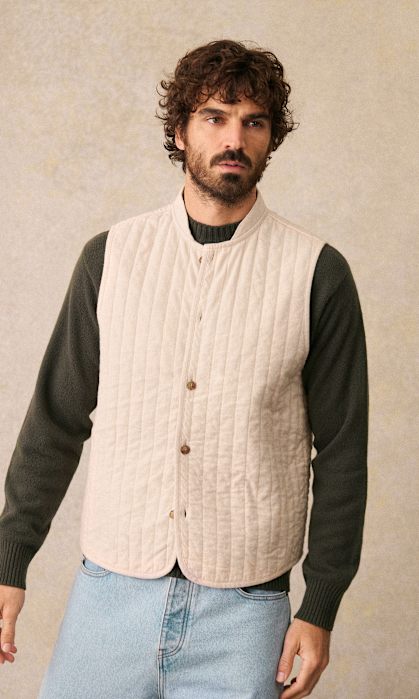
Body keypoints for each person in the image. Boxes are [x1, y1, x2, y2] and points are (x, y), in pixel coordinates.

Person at [0, 39, 368, 698]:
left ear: (270, 139)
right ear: (179, 130)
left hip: (247, 613)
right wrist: (9, 559)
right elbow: (55, 420)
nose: (234, 139)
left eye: (253, 122)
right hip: (109, 596)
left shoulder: (317, 272)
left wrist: (321, 605)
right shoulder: (110, 257)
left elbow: (342, 451)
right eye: (215, 117)